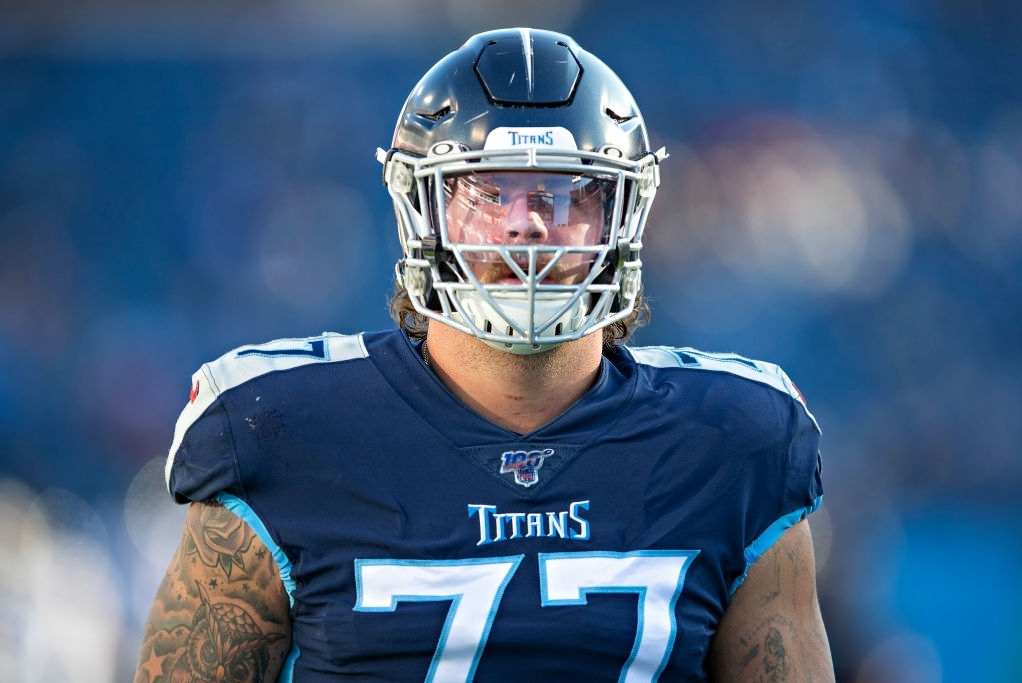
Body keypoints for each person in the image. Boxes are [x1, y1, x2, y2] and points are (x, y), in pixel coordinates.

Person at [135, 28, 834, 683]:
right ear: (421, 208)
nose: (525, 222)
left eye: (565, 192)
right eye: (487, 190)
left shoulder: (736, 442)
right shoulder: (279, 430)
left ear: (624, 216)